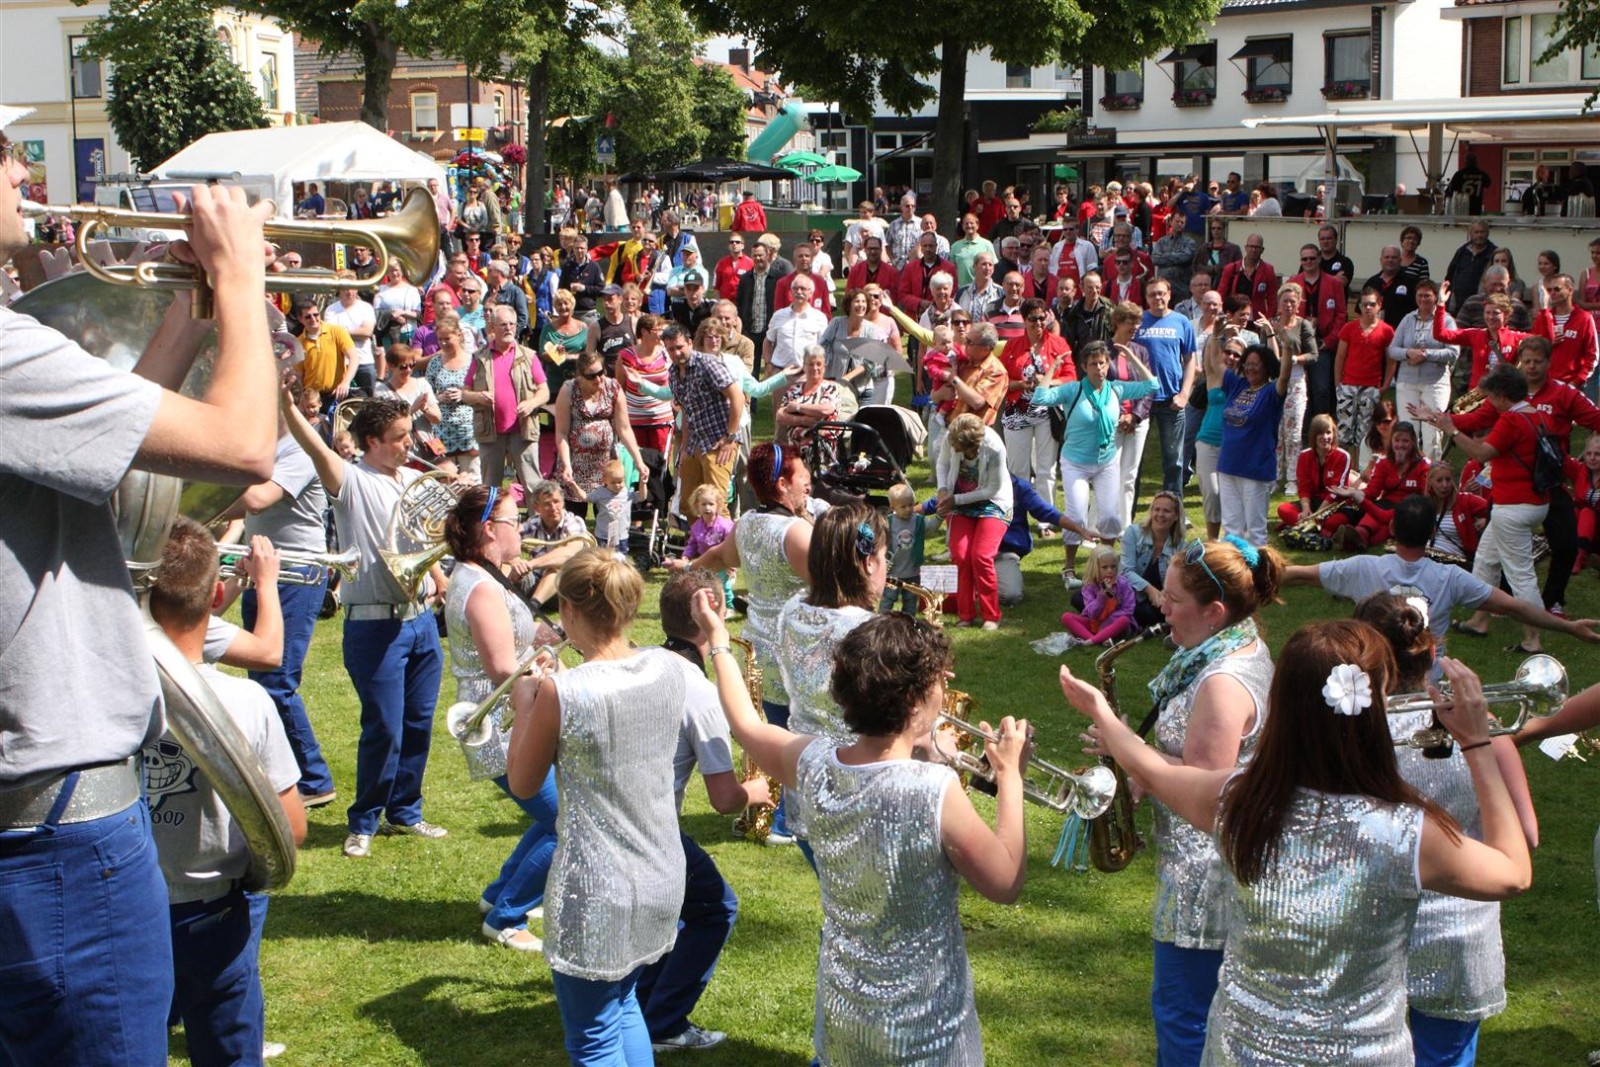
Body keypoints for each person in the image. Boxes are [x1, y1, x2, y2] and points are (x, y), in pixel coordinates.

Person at [1, 133, 279, 1057]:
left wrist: (188, 316)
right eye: (4, 156)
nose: (22, 174)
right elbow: (245, 445)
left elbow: (99, 465)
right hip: (59, 835)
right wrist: (240, 279)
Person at [1063, 622, 1532, 1066]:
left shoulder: (1238, 802)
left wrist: (1102, 713)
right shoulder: (1405, 833)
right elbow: (1513, 873)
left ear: (1281, 706)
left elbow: (1153, 770)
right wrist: (1477, 743)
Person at [694, 601, 1027, 1066]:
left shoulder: (813, 762)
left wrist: (718, 641)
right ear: (914, 701)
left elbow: (746, 724)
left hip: (845, 1012)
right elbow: (1005, 881)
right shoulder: (934, 788)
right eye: (938, 681)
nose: (945, 688)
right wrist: (1009, 776)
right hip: (926, 1027)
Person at [1079, 537, 1281, 1066]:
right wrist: (1139, 767)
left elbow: (1203, 790)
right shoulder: (1236, 646)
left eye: (1172, 600)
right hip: (1214, 868)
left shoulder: (1221, 683)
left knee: (1184, 1021)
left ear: (1214, 613)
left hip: (1204, 881)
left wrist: (1127, 748)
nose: (1160, 608)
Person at [504, 550, 687, 1065]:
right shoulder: (668, 666)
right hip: (660, 872)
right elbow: (608, 697)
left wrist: (525, 704)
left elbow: (522, 781)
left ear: (567, 609)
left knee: (593, 1037)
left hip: (597, 887)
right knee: (623, 1003)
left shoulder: (561, 693)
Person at [143, 521, 306, 1067]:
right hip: (215, 902)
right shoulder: (249, 702)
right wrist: (266, 583)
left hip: (127, 899)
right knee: (228, 1042)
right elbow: (292, 828)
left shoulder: (107, 689)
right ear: (216, 597)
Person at [1353, 592, 1536, 1067]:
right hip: (1460, 931)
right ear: (1432, 651)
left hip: (1369, 933)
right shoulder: (1482, 725)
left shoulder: (1347, 731)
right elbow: (1527, 835)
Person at [283, 394, 448, 859]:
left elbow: (422, 540)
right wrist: (287, 406)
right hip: (375, 627)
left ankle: (406, 811)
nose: (409, 443)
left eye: (409, 433)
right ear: (372, 441)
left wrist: (438, 577)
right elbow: (315, 448)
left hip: (420, 622)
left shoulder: (413, 479)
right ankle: (364, 821)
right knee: (385, 728)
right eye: (399, 437)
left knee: (418, 724)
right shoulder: (351, 481)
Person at [643, 571, 771, 1053]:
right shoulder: (699, 692)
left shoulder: (639, 660)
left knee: (674, 912)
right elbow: (723, 800)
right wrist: (754, 791)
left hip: (615, 821)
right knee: (716, 907)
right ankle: (664, 1022)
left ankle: (643, 1004)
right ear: (708, 612)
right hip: (654, 831)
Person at [673, 443, 813, 843]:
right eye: (803, 477)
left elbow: (719, 557)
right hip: (794, 648)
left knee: (766, 731)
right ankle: (781, 819)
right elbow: (832, 587)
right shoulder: (796, 531)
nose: (809, 484)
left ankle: (763, 812)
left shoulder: (748, 521)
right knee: (795, 733)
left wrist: (685, 573)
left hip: (756, 647)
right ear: (782, 483)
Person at [441, 486, 560, 952]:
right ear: (489, 530)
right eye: (515, 520)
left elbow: (513, 651)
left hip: (510, 716)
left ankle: (499, 896)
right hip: (501, 723)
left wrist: (544, 647)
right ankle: (507, 917)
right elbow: (502, 671)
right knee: (568, 820)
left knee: (554, 812)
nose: (522, 528)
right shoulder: (481, 587)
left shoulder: (483, 576)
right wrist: (549, 674)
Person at [1282, 494, 1600, 661]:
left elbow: (1296, 575)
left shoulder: (1362, 568)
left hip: (1373, 682)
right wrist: (1568, 627)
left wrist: (1255, 571)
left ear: (1391, 529)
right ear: (1432, 534)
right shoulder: (1450, 578)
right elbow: (1515, 607)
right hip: (1427, 690)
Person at [774, 503, 892, 863]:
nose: (887, 567)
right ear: (868, 562)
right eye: (884, 556)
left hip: (805, 781)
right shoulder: (867, 632)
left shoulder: (792, 608)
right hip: (859, 791)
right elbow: (893, 721)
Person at [1425, 363, 1553, 653]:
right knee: (1485, 560)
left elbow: (1480, 453)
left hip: (1514, 506)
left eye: (1492, 396)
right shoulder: (1533, 413)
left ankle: (1533, 639)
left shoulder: (1511, 420)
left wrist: (1452, 430)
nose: (1490, 402)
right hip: (1530, 502)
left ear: (1503, 395)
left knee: (1520, 575)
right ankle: (1480, 620)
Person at [1033, 338, 1159, 586]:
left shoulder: (1116, 389)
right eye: (1093, 364)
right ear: (1084, 367)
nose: (1099, 369)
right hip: (1075, 463)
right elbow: (1040, 397)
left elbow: (1152, 385)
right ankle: (1069, 569)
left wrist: (1132, 359)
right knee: (1077, 517)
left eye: (1102, 363)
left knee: (1111, 516)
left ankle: (1107, 568)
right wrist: (1053, 367)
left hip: (1106, 462)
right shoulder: (1072, 390)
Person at [936, 413, 1014, 630]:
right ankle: (966, 614)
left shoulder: (994, 447)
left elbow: (992, 489)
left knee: (981, 556)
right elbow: (942, 464)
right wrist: (942, 489)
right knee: (960, 555)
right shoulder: (951, 437)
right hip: (959, 499)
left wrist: (955, 499)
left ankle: (991, 615)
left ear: (975, 445)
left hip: (993, 502)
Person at [1214, 334, 1293, 548]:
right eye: (1247, 364)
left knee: (1255, 531)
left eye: (1255, 364)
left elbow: (1284, 377)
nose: (1250, 368)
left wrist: (1287, 346)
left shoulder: (1271, 392)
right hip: (1228, 466)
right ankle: (1233, 567)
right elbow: (1215, 363)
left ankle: (1259, 567)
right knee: (1231, 529)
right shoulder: (1237, 385)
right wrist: (1215, 336)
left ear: (1266, 367)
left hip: (1255, 470)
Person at [999, 297, 1074, 512]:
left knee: (1046, 468)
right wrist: (1020, 384)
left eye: (1042, 318)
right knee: (1017, 468)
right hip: (1017, 410)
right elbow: (1000, 380)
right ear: (1024, 320)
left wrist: (1049, 382)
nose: (1038, 323)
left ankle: (1045, 517)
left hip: (1048, 412)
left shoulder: (1058, 344)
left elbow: (1071, 377)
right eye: (1033, 319)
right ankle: (1017, 515)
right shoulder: (1012, 346)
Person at [553, 350, 647, 516]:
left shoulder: (613, 387)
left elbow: (624, 428)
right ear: (580, 376)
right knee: (574, 518)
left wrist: (638, 461)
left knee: (610, 518)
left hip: (605, 466)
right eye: (591, 376)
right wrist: (567, 464)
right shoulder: (568, 390)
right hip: (575, 465)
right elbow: (561, 433)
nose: (598, 379)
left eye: (600, 373)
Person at [1134, 279, 1199, 493]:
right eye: (1152, 294)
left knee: (1174, 460)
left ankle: (1174, 505)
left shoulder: (1182, 322)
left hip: (1171, 399)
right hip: (1140, 399)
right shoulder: (1137, 321)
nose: (1157, 298)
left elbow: (1190, 359)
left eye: (1161, 293)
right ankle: (1127, 508)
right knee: (1134, 459)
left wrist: (1185, 393)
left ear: (1169, 294)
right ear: (1146, 298)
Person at [1326, 419, 1428, 551]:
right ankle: (1356, 538)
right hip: (1385, 505)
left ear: (1413, 442)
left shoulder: (1423, 466)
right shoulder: (1384, 463)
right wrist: (1353, 493)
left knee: (1386, 518)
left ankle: (1356, 537)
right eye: (1397, 440)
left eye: (1405, 441)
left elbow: (1426, 498)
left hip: (1410, 509)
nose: (1400, 445)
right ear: (1391, 441)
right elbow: (1372, 492)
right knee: (1374, 511)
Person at [1388, 280, 1459, 460]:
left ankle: (1431, 471)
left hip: (1435, 384)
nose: (1423, 299)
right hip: (1407, 383)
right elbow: (1392, 349)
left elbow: (1453, 352)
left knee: (1432, 433)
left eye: (1427, 295)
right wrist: (1408, 353)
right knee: (1407, 431)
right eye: (1420, 295)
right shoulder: (1408, 319)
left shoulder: (1447, 320)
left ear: (1435, 297)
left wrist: (1427, 354)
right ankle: (1408, 470)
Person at [1120, 489, 1186, 628]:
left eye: (1166, 511)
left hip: (1160, 600)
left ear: (1176, 516)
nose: (1160, 514)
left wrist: (1165, 593)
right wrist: (1149, 589)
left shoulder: (1180, 545)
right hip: (1129, 593)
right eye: (1157, 509)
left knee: (1152, 612)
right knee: (1079, 598)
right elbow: (1126, 571)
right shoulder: (1133, 533)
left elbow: (1180, 578)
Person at [1060, 543, 1136, 649]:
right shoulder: (1089, 585)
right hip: (1095, 623)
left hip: (1115, 624)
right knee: (1066, 617)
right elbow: (1091, 613)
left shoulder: (1123, 583)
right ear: (1095, 568)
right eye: (1105, 567)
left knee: (1124, 620)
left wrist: (1107, 622)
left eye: (1113, 566)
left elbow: (1128, 610)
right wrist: (1101, 598)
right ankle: (1096, 639)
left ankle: (1090, 641)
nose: (1110, 570)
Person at [881, 483, 928, 614]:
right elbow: (878, 539)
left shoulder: (918, 520)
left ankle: (909, 623)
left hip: (913, 572)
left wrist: (940, 516)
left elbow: (931, 528)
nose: (908, 509)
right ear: (892, 507)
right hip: (893, 572)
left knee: (910, 602)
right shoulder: (887, 522)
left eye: (910, 505)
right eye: (903, 506)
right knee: (888, 599)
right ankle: (881, 621)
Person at [1443, 221, 1496, 318]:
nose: (1479, 235)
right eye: (1476, 232)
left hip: (1481, 304)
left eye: (1482, 232)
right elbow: (1450, 275)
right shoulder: (1462, 252)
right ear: (1470, 234)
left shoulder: (1493, 253)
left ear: (1487, 233)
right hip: (1458, 304)